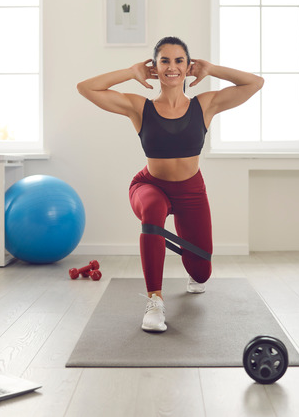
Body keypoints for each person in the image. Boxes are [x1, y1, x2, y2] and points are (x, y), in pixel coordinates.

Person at [77, 36, 263, 332]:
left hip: (191, 191)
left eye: (179, 60)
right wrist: (131, 72)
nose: (172, 67)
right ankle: (154, 301)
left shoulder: (206, 105)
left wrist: (211, 68)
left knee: (202, 274)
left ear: (189, 67)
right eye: (164, 60)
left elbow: (254, 83)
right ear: (155, 67)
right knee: (152, 212)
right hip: (150, 186)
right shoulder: (140, 107)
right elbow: (86, 88)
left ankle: (195, 271)